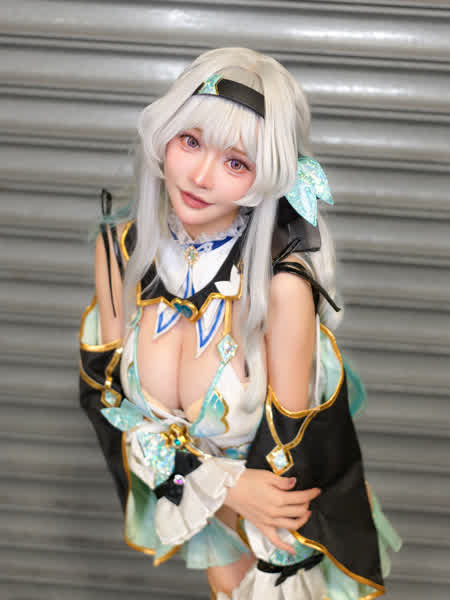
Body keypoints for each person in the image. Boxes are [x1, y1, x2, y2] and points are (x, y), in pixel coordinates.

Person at [79, 47, 401, 599]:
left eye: (236, 162)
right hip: (205, 515)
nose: (201, 176)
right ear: (164, 135)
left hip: (279, 539)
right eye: (190, 141)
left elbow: (290, 472)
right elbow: (109, 403)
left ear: (265, 176)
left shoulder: (282, 286)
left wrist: (222, 487)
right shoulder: (121, 252)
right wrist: (222, 485)